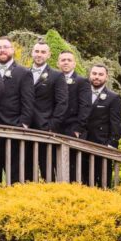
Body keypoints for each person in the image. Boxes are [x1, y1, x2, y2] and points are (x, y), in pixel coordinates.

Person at [0, 36, 34, 184]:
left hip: (13, 127)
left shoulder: (23, 72)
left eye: (5, 47)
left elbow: (28, 101)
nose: (2, 50)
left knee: (15, 172)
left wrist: (24, 124)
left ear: (12, 50)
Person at [28, 40, 68, 180]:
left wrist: (51, 126)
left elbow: (62, 103)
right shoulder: (23, 72)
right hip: (24, 128)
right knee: (26, 167)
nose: (39, 55)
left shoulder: (57, 76)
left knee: (47, 169)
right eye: (37, 51)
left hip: (46, 129)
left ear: (49, 55)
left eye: (43, 52)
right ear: (32, 53)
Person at [84, 63, 121, 187]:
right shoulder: (82, 94)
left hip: (101, 146)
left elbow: (116, 123)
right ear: (90, 75)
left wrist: (111, 144)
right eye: (94, 74)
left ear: (106, 77)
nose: (97, 77)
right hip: (81, 144)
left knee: (103, 183)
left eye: (100, 74)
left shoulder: (113, 97)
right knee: (83, 182)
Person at [56, 50, 92, 140]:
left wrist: (78, 130)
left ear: (74, 64)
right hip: (55, 127)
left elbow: (85, 106)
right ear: (58, 63)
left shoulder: (82, 81)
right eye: (63, 60)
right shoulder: (53, 79)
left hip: (72, 129)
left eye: (69, 60)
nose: (66, 62)